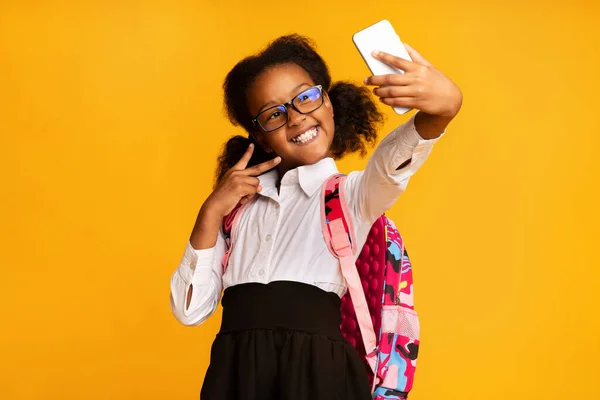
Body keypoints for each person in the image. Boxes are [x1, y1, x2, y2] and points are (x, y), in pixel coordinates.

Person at [170, 34, 462, 400]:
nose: (295, 118)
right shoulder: (237, 213)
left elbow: (391, 166)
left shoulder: (351, 196)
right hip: (236, 376)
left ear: (329, 103)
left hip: (318, 377)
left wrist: (441, 112)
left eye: (305, 97)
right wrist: (211, 211)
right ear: (259, 136)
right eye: (274, 113)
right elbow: (190, 310)